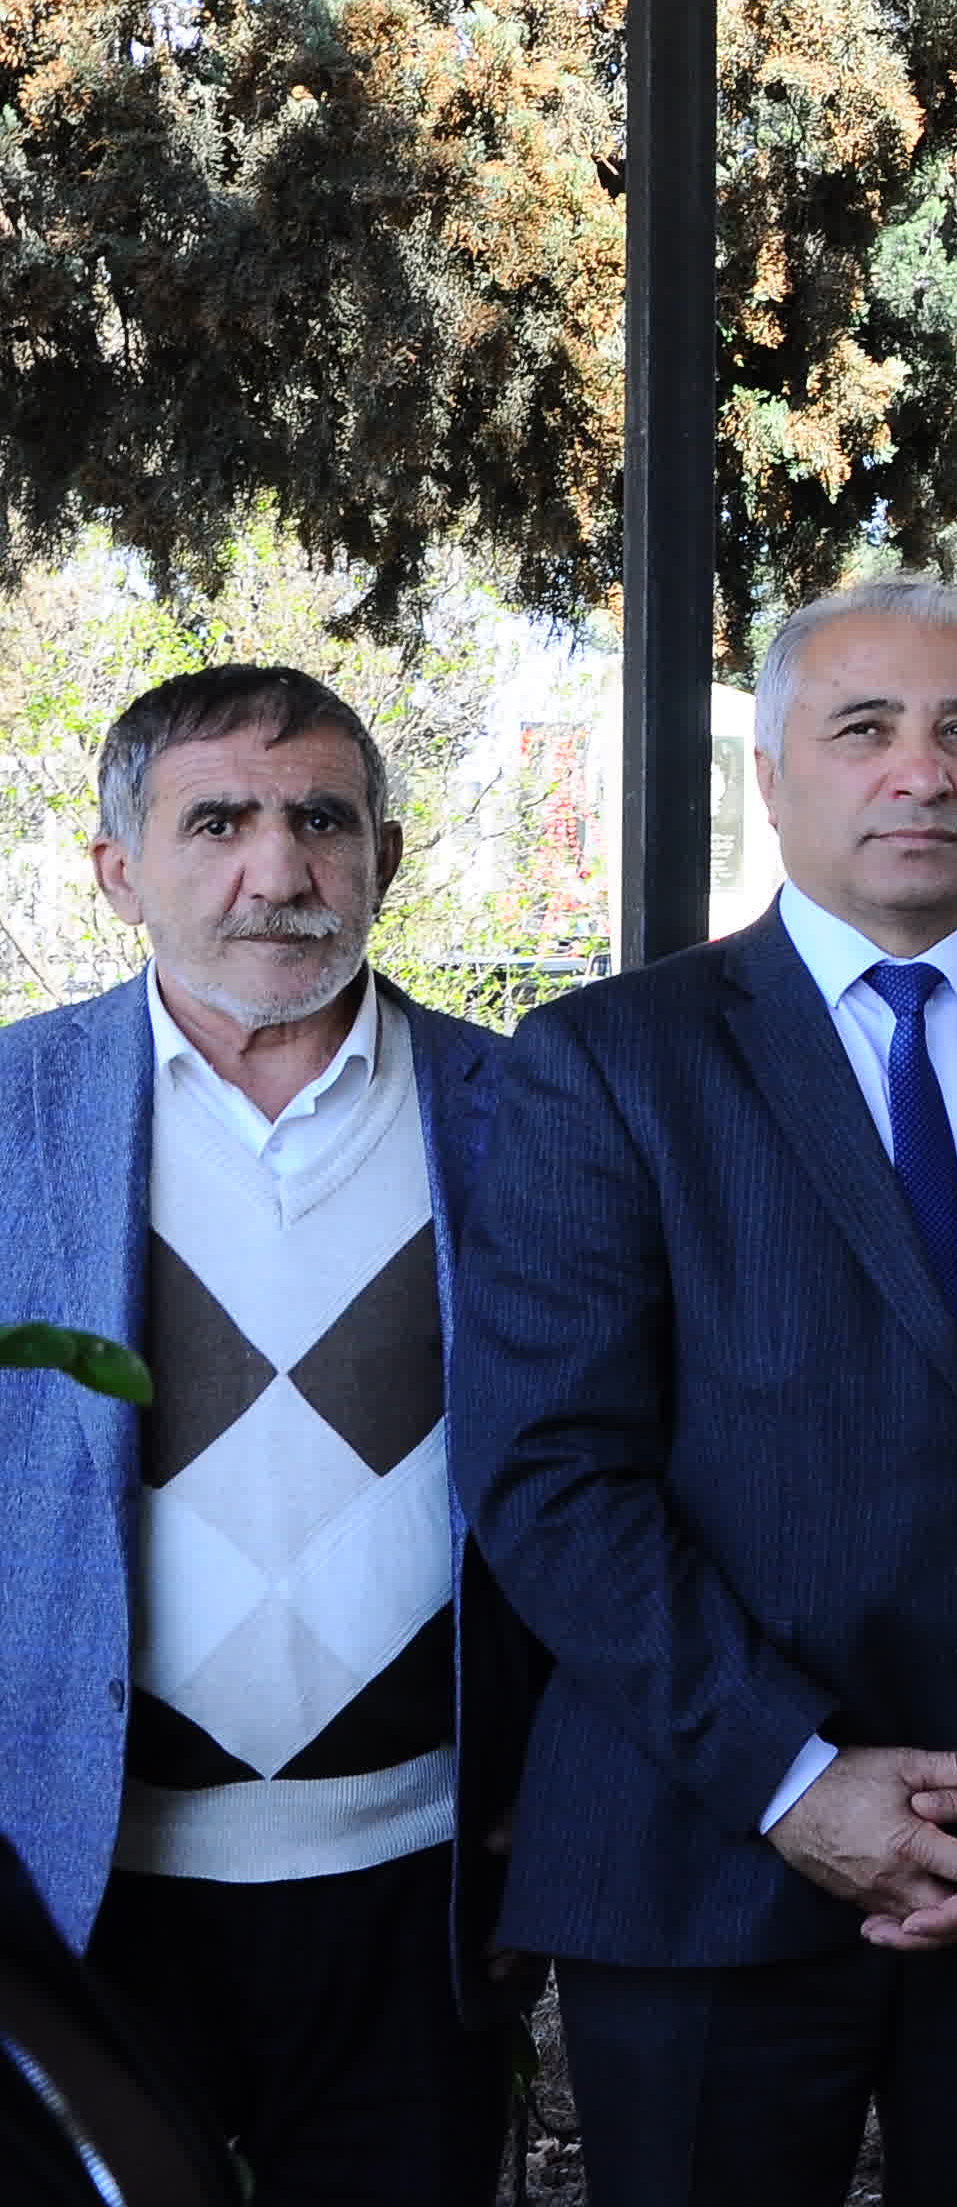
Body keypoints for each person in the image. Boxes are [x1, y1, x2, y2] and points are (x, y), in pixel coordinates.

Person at [455, 576, 957, 2207]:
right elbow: (551, 1475)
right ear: (772, 775)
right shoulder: (606, 1061)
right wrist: (794, 1777)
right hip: (703, 1860)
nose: (922, 769)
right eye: (864, 727)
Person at [0, 666, 527, 2207]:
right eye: (218, 822)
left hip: (419, 1894)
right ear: (119, 872)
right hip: (85, 1890)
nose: (278, 869)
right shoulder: (13, 1115)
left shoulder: (520, 1110)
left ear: (385, 856)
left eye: (322, 821)